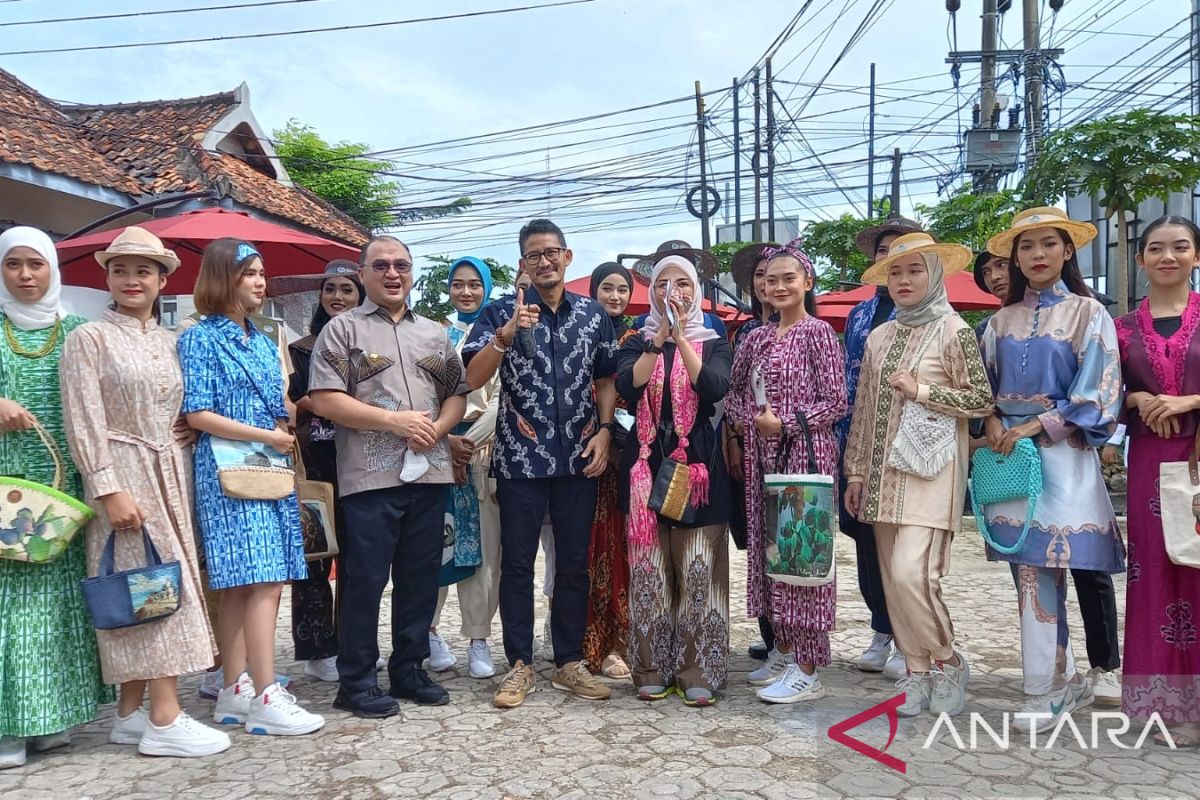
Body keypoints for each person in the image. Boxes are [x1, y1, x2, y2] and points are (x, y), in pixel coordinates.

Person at [61, 226, 229, 756]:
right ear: (107, 277)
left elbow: (183, 405)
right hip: (125, 474)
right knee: (151, 590)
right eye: (120, 269)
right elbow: (82, 419)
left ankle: (130, 714)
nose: (131, 279)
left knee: (160, 581)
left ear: (162, 280)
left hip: (171, 471)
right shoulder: (88, 338)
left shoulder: (170, 341)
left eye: (143, 270)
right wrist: (107, 488)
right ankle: (165, 717)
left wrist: (192, 426)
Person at [979, 207, 1125, 734]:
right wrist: (993, 419)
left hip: (1065, 461)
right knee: (1031, 579)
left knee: (1064, 566)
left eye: (1048, 244)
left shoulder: (1090, 314)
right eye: (1026, 247)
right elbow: (981, 392)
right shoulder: (997, 322)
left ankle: (1074, 680)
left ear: (1068, 251)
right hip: (1013, 462)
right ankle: (1046, 688)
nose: (1037, 256)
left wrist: (1037, 423)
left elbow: (1101, 391)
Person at [309, 235, 467, 718]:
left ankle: (409, 670)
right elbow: (324, 399)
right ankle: (355, 680)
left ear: (412, 272)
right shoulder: (341, 331)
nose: (392, 273)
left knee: (420, 579)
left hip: (429, 474)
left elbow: (456, 393)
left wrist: (437, 428)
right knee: (364, 580)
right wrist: (395, 422)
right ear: (364, 274)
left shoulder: (434, 335)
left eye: (401, 265)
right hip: (369, 477)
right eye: (381, 266)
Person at [463, 218, 618, 709]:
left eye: (552, 253)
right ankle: (519, 666)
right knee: (516, 567)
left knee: (572, 565)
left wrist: (608, 432)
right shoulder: (498, 312)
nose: (545, 261)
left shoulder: (594, 316)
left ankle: (568, 661)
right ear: (523, 263)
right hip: (518, 460)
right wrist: (506, 335)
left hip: (578, 458)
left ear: (567, 257)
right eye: (534, 255)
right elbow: (471, 375)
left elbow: (608, 378)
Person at [178, 238, 324, 736]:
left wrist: (286, 409)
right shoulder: (199, 338)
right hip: (227, 468)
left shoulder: (262, 338)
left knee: (249, 582)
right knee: (259, 580)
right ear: (223, 278)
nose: (260, 282)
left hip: (266, 467)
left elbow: (280, 400)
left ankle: (232, 686)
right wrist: (268, 432)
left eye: (261, 273)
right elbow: (197, 412)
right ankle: (265, 693)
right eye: (249, 274)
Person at [843, 233, 993, 717]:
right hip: (882, 476)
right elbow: (864, 408)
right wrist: (855, 472)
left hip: (933, 472)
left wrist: (924, 390)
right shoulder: (878, 336)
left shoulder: (955, 331)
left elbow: (980, 401)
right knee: (892, 580)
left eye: (914, 271)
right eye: (895, 272)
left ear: (933, 275)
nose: (904, 281)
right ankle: (917, 673)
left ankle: (948, 661)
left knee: (913, 575)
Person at [0, 227, 111, 769]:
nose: (25, 275)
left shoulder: (78, 332)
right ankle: (8, 726)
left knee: (61, 605)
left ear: (52, 270)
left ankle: (52, 718)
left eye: (35, 264)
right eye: (14, 264)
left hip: (66, 492)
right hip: (7, 492)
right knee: (12, 608)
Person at [727, 240, 848, 704]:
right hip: (762, 461)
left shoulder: (818, 333)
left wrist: (788, 422)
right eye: (769, 280)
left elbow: (837, 401)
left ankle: (809, 667)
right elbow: (736, 392)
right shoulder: (756, 337)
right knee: (772, 558)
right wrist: (745, 420)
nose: (777, 287)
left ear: (807, 283)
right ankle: (786, 648)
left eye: (787, 279)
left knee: (804, 559)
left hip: (806, 458)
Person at [618, 254, 732, 705]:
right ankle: (650, 667)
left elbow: (715, 388)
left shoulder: (714, 340)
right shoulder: (636, 339)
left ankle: (699, 668)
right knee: (649, 571)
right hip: (645, 466)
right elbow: (628, 386)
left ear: (697, 291)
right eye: (663, 282)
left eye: (682, 283)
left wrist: (683, 341)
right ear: (651, 292)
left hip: (698, 467)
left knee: (698, 568)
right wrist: (658, 342)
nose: (672, 291)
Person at [1113, 215, 1200, 746]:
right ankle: (1166, 707)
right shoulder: (1121, 328)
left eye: (1181, 247)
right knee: (1154, 578)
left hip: (1198, 455)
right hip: (1149, 460)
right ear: (1140, 259)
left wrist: (1191, 399)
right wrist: (1136, 398)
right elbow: (1101, 395)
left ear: (1197, 256)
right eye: (1156, 249)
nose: (1168, 256)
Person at [837, 217, 924, 680]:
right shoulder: (859, 315)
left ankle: (913, 635)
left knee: (907, 547)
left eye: (902, 251)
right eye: (884, 251)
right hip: (857, 441)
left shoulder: (930, 316)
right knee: (866, 541)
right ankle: (881, 628)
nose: (892, 260)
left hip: (911, 443)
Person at [285, 259, 365, 683]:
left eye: (347, 289)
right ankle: (317, 647)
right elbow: (291, 399)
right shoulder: (300, 348)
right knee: (315, 557)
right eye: (330, 288)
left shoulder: (372, 345)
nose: (338, 296)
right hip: (315, 462)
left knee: (358, 559)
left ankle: (352, 644)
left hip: (361, 461)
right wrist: (325, 402)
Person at [429, 256, 503, 680]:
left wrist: (468, 444)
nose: (467, 292)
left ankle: (478, 638)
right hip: (437, 449)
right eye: (458, 284)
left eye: (475, 284)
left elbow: (502, 396)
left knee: (485, 552)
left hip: (481, 453)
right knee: (437, 545)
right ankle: (429, 631)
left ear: (487, 288)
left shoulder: (500, 336)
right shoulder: (436, 335)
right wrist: (445, 441)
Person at [583, 262, 638, 680]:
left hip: (631, 460)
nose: (615, 297)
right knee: (585, 552)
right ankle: (584, 642)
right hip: (585, 453)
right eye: (607, 288)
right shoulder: (581, 331)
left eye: (622, 289)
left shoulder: (639, 338)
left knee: (626, 551)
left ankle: (622, 643)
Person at [727, 242, 779, 660]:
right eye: (761, 276)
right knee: (758, 547)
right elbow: (734, 392)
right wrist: (735, 438)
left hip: (794, 454)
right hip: (749, 451)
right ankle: (772, 636)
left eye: (778, 276)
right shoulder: (745, 333)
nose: (768, 284)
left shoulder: (809, 329)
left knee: (791, 544)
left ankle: (797, 645)